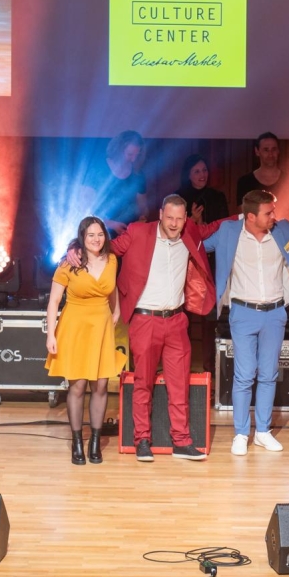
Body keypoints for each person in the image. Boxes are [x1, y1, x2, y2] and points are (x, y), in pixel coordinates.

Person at [67, 195, 219, 462]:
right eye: (169, 217)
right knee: (143, 383)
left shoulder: (189, 233)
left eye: (179, 218)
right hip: (145, 319)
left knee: (179, 384)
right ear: (160, 214)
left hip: (176, 320)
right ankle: (142, 440)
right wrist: (74, 247)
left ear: (186, 219)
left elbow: (214, 228)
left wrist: (243, 216)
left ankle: (181, 441)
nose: (174, 223)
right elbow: (106, 246)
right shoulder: (138, 232)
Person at [204, 189, 289, 455]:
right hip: (242, 312)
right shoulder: (229, 232)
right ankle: (241, 433)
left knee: (269, 374)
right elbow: (198, 245)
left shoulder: (282, 231)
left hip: (274, 313)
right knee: (243, 375)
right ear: (250, 216)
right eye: (268, 212)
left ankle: (262, 431)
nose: (274, 216)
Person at [44, 217, 126, 465]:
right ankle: (77, 441)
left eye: (100, 234)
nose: (96, 239)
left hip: (101, 326)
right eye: (91, 235)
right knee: (78, 386)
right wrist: (50, 334)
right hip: (75, 326)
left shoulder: (111, 259)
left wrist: (117, 310)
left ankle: (95, 441)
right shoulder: (70, 262)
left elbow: (112, 289)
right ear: (82, 237)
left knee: (100, 385)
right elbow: (54, 301)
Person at [176, 153, 229, 373]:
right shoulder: (179, 198)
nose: (202, 175)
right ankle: (182, 368)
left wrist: (203, 225)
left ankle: (209, 368)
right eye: (197, 171)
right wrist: (192, 224)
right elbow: (174, 233)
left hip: (211, 262)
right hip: (184, 263)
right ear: (188, 174)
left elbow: (224, 228)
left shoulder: (217, 197)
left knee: (209, 317)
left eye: (204, 170)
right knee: (182, 317)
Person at [79, 131, 148, 235]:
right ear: (118, 151)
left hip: (128, 234)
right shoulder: (98, 170)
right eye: (130, 154)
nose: (133, 159)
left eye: (136, 155)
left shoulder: (137, 174)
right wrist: (109, 224)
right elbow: (83, 209)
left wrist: (142, 218)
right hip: (99, 234)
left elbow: (143, 207)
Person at [235, 132, 283, 204]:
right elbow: (243, 212)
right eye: (266, 150)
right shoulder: (245, 182)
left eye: (274, 149)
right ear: (257, 151)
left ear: (278, 151)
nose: (270, 154)